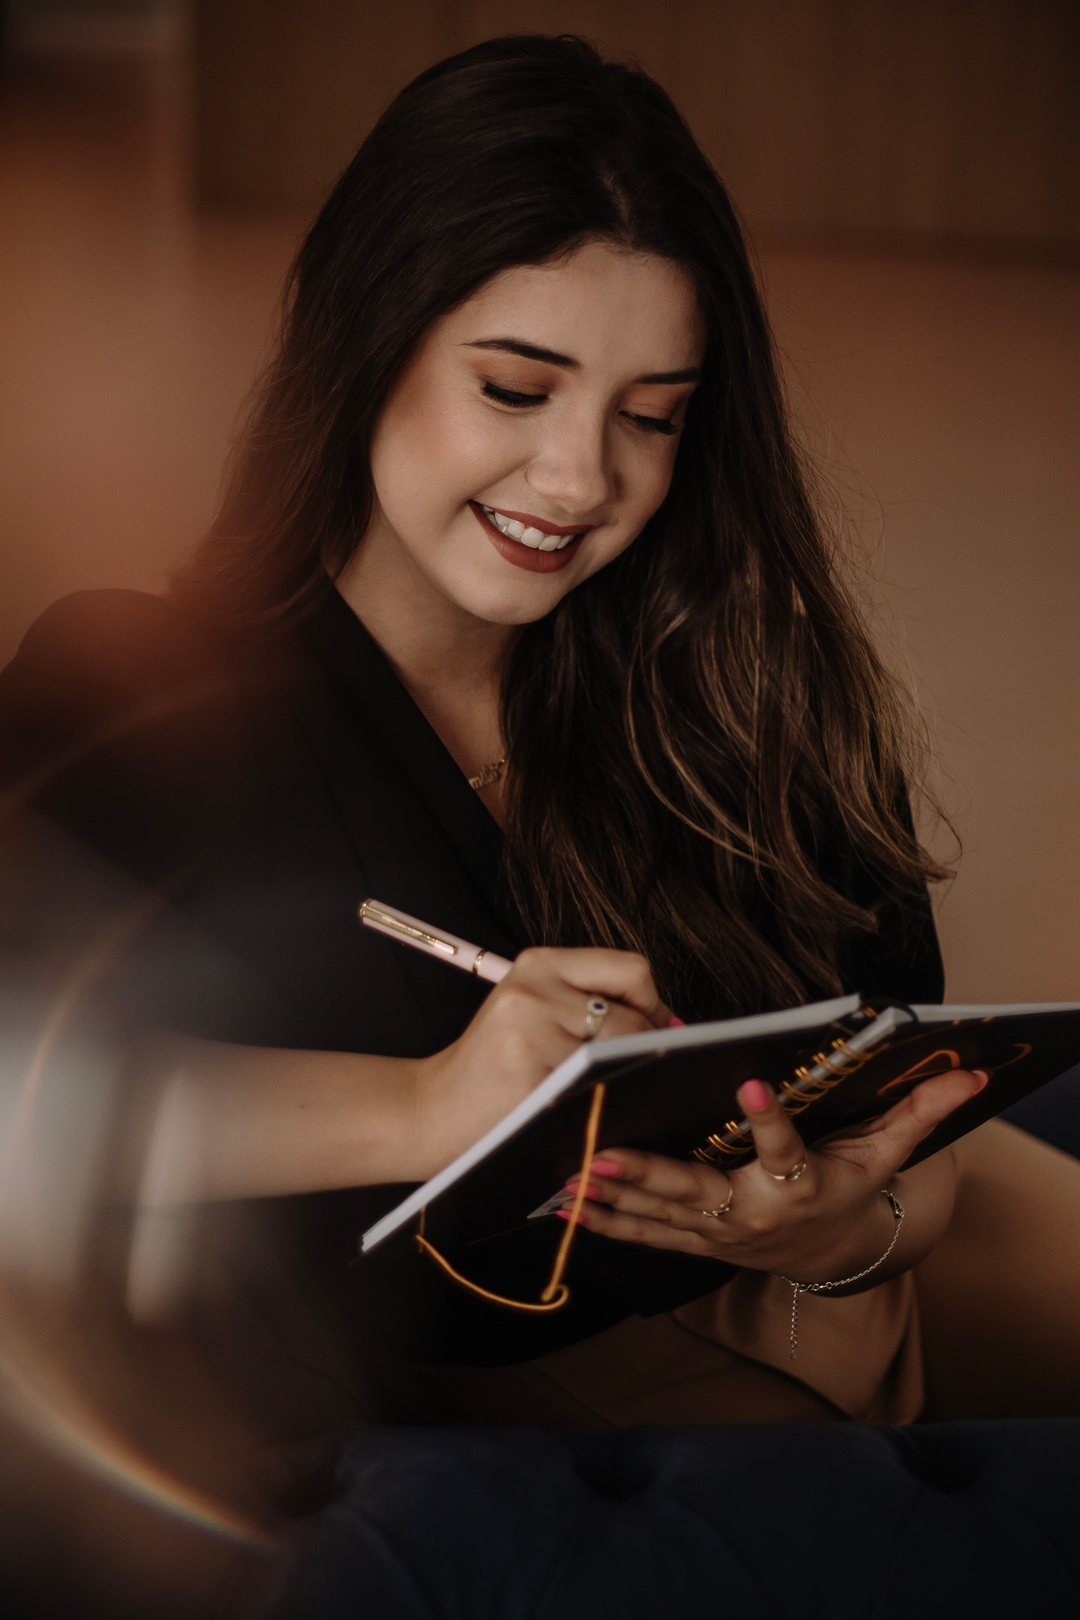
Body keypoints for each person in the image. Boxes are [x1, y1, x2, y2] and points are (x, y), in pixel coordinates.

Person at [2, 35, 1079, 1438]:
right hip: (477, 1372)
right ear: (363, 342)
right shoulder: (136, 688)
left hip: (828, 1301)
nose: (580, 481)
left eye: (653, 418)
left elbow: (916, 1100)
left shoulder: (727, 683)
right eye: (515, 390)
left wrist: (843, 1232)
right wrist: (427, 1105)